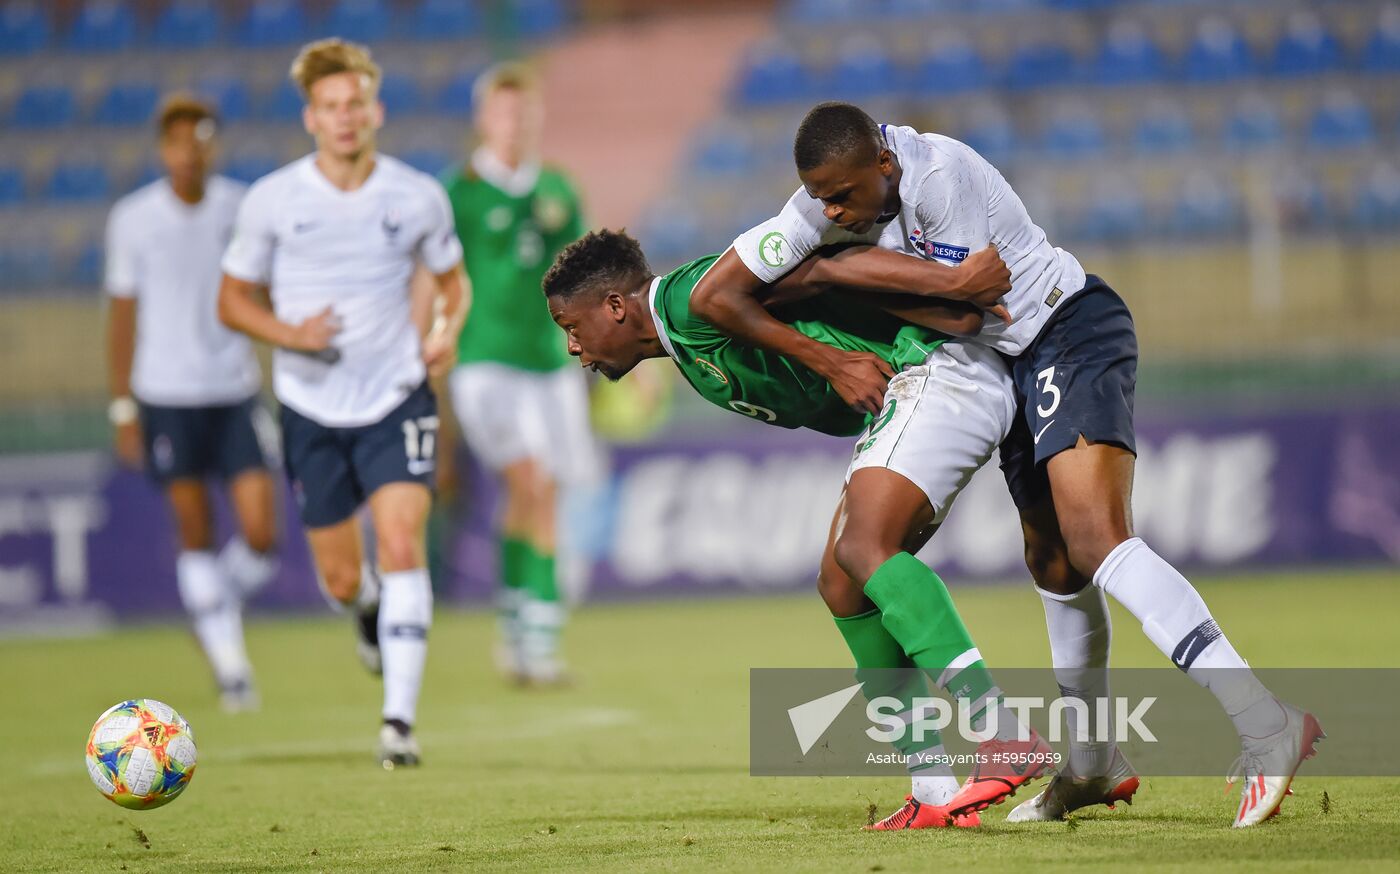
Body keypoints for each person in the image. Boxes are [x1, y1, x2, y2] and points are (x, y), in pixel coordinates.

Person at [686, 101, 1322, 827]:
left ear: (883, 166)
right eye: (822, 199)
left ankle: (1265, 722)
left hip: (1068, 327)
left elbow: (964, 313)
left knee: (1096, 539)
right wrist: (836, 280)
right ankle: (1091, 766)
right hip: (1010, 364)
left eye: (843, 196)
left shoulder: (942, 175)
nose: (829, 210)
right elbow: (732, 292)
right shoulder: (830, 193)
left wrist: (837, 276)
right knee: (1055, 566)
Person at [543, 228, 1053, 830]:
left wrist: (879, 334)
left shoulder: (690, 297)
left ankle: (1000, 731)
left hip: (932, 371)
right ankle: (934, 790)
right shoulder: (684, 336)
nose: (574, 348)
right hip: (904, 395)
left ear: (615, 306)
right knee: (842, 584)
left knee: (865, 548)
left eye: (572, 328)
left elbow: (817, 266)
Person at [217, 39, 468, 767]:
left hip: (396, 394)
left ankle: (398, 725)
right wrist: (286, 332)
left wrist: (445, 333)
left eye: (355, 103)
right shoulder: (273, 200)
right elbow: (230, 300)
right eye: (331, 107)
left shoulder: (416, 195)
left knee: (399, 545)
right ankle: (364, 613)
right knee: (341, 576)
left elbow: (453, 284)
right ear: (310, 118)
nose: (345, 117)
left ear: (375, 109)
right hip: (311, 406)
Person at [105, 94, 280, 713]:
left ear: (212, 144)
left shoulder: (241, 207)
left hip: (233, 389)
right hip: (166, 395)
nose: (189, 150)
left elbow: (264, 289)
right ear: (163, 149)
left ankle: (211, 612)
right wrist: (124, 407)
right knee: (196, 530)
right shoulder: (133, 219)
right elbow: (122, 317)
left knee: (261, 533)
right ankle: (231, 666)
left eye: (200, 138)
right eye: (178, 141)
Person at [440, 63, 598, 685]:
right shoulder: (459, 193)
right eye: (504, 112)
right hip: (483, 362)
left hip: (549, 362)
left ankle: (517, 628)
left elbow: (587, 278)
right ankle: (537, 642)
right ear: (484, 119)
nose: (515, 124)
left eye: (524, 112)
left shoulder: (558, 186)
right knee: (531, 481)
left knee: (539, 491)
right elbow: (432, 277)